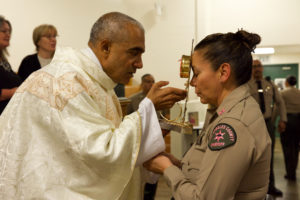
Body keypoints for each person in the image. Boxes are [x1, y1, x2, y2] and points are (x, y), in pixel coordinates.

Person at [0, 12, 187, 199]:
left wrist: (148, 149)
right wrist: (147, 108)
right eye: (134, 52)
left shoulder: (97, 84)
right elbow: (100, 152)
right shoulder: (65, 84)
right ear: (106, 47)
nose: (139, 64)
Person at [144, 30, 271, 200]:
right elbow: (211, 171)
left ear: (223, 72)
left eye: (196, 74)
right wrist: (178, 165)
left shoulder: (232, 124)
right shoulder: (229, 109)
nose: (192, 82)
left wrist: (167, 169)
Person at [248, 59, 287, 196]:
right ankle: (252, 189)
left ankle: (271, 186)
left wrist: (283, 120)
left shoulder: (270, 85)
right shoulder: (246, 86)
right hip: (250, 125)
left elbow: (280, 103)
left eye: (259, 66)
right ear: (250, 69)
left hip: (267, 123)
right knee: (250, 156)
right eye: (254, 67)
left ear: (262, 68)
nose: (257, 69)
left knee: (268, 155)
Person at [127, 73, 162, 200]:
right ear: (142, 83)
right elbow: (127, 120)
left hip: (154, 142)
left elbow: (162, 119)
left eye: (153, 81)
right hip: (138, 143)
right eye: (148, 81)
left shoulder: (158, 99)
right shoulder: (132, 99)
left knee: (153, 176)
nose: (151, 84)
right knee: (138, 177)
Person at [0, 16, 22, 115]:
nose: (8, 34)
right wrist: (13, 92)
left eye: (9, 31)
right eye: (4, 31)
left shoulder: (4, 62)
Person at [280, 75, 300, 181]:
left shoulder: (283, 93)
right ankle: (294, 171)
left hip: (287, 121)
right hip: (298, 122)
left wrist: (275, 121)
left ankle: (289, 173)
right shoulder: (299, 92)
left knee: (287, 148)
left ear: (286, 82)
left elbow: (278, 107)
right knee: (296, 148)